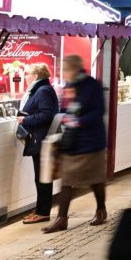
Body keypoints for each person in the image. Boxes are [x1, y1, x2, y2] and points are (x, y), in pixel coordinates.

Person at [43, 55, 108, 233]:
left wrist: (79, 121)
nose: (63, 73)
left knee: (95, 179)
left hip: (91, 141)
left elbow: (99, 111)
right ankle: (61, 219)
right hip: (71, 142)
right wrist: (62, 117)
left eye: (65, 69)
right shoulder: (69, 87)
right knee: (67, 180)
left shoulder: (92, 85)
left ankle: (101, 210)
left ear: (74, 69)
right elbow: (64, 109)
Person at [18, 63, 59, 225]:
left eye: (28, 74)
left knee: (42, 177)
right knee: (40, 177)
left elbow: (47, 115)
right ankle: (40, 209)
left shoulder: (42, 91)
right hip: (39, 139)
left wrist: (25, 119)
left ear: (35, 76)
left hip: (42, 140)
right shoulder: (41, 89)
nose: (25, 76)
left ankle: (43, 212)